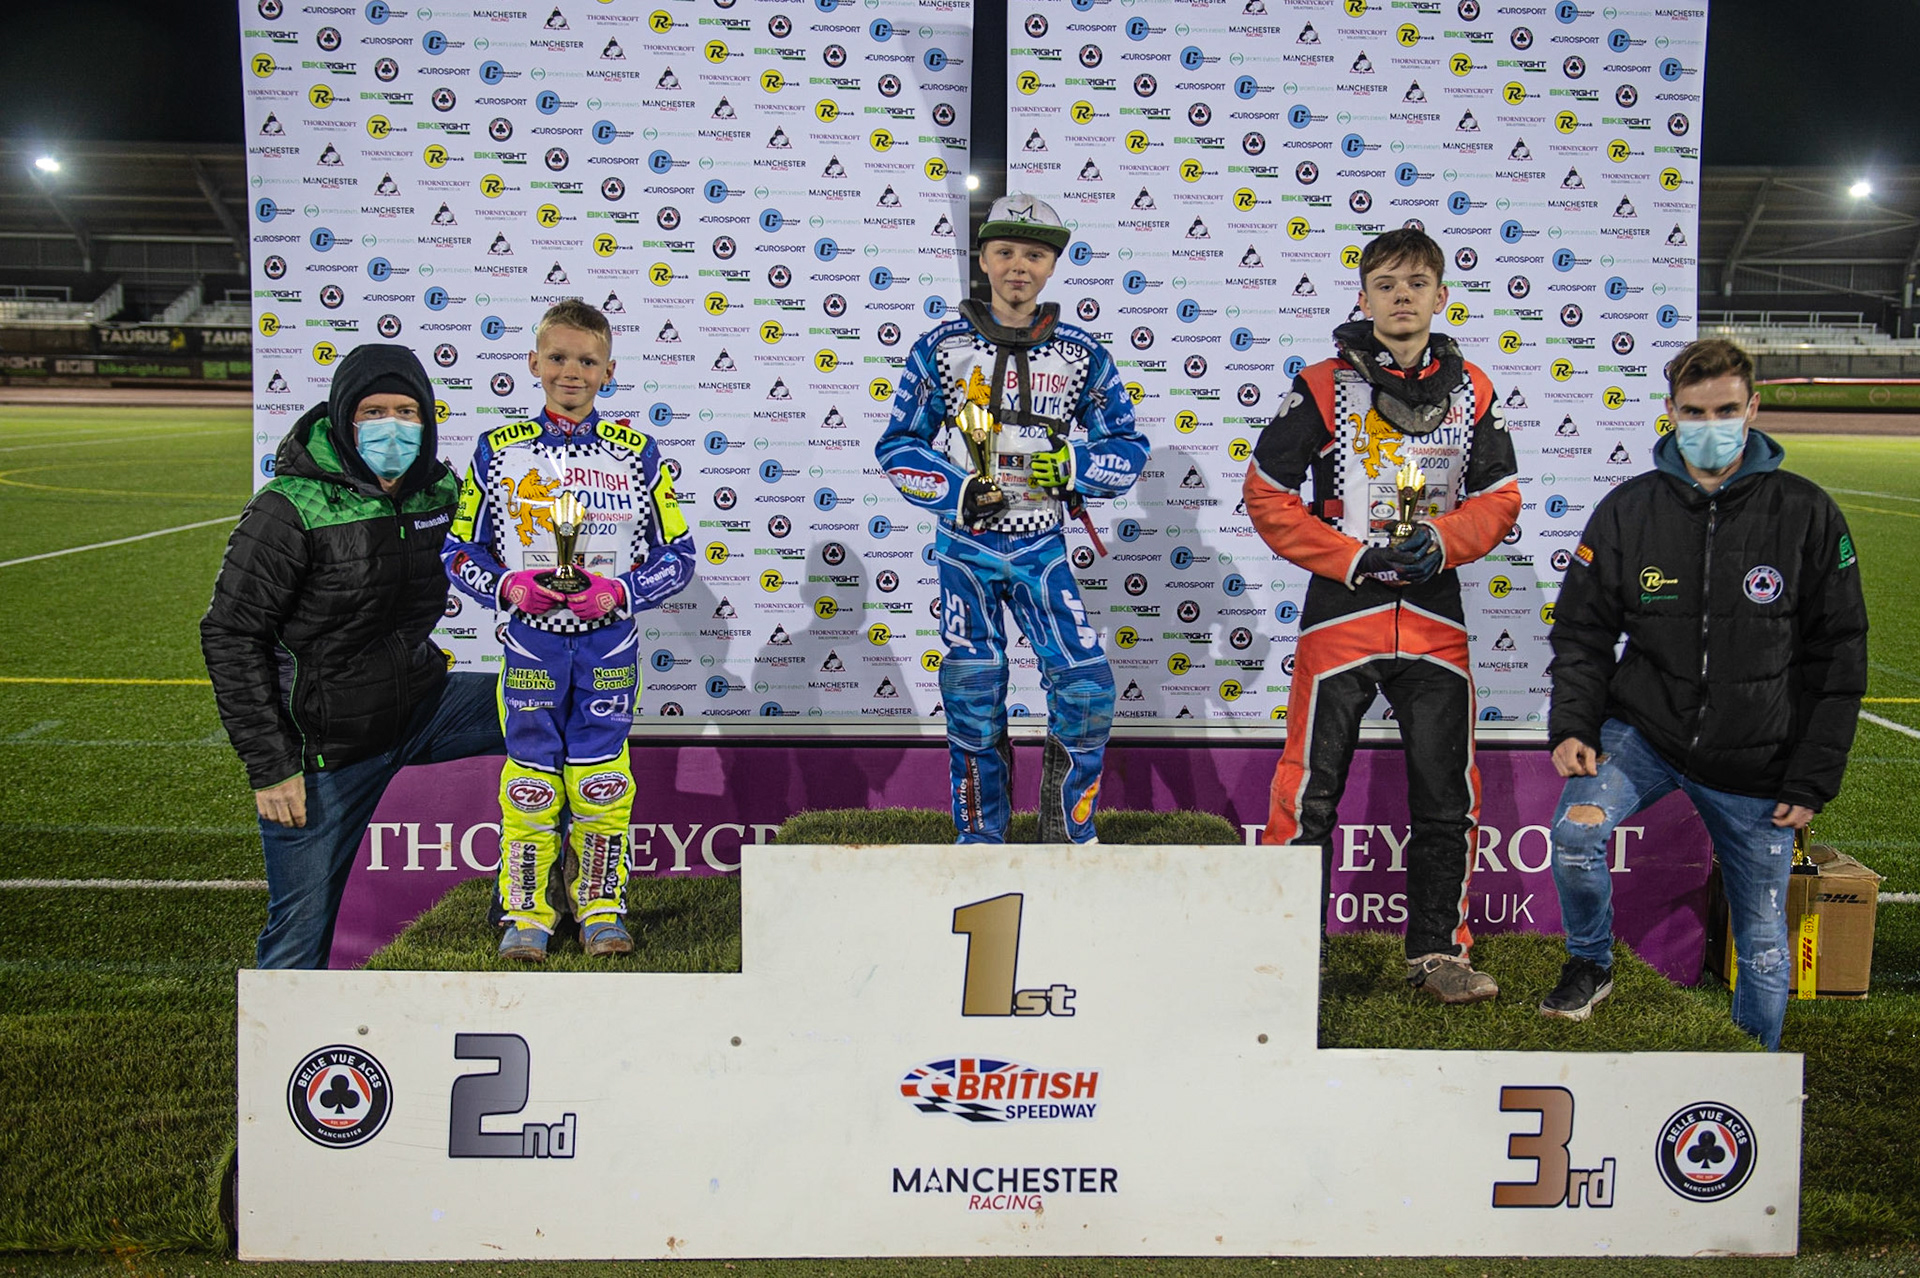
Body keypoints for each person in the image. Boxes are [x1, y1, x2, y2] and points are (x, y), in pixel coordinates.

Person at [1540, 337, 1867, 1047]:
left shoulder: (1807, 514)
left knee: (1765, 945)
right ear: (1670, 413)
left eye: (1724, 409)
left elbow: (1838, 656)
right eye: (1693, 411)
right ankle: (1591, 963)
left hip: (1755, 761)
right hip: (1645, 735)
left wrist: (1812, 776)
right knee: (1573, 836)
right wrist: (1574, 725)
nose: (1709, 424)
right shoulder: (1629, 510)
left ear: (1753, 408)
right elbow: (1583, 631)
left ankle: (1752, 1073)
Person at [1242, 226, 1520, 1003]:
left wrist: (1443, 541)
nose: (1403, 296)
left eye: (1417, 283)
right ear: (1362, 298)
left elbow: (1500, 498)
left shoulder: (1477, 390)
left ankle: (1439, 952)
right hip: (1343, 616)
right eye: (1387, 284)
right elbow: (1266, 491)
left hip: (1435, 617)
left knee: (1445, 795)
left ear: (1441, 297)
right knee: (1308, 791)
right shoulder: (1322, 381)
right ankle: (1283, 949)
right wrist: (1351, 557)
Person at [202, 343, 504, 969]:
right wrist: (271, 765)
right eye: (372, 412)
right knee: (299, 936)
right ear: (343, 417)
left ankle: (527, 898)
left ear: (427, 419)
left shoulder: (440, 491)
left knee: (545, 708)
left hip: (421, 704)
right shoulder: (288, 507)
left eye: (406, 411)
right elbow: (231, 635)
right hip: (325, 747)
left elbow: (508, 550)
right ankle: (281, 1054)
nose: (391, 427)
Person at [875, 193, 1149, 842]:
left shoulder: (1082, 353)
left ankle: (1068, 841)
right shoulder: (940, 349)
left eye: (1034, 254)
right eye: (1005, 252)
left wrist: (1077, 468)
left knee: (1086, 690)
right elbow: (900, 445)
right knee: (973, 696)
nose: (1018, 267)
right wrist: (961, 491)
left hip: (1042, 546)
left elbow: (1126, 445)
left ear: (1053, 265)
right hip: (965, 547)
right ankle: (980, 844)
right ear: (983, 259)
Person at [442, 299, 695, 960]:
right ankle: (526, 913)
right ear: (534, 364)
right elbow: (456, 552)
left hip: (610, 644)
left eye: (586, 361)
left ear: (608, 371)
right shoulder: (497, 452)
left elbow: (681, 557)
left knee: (600, 779)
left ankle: (602, 906)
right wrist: (508, 586)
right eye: (557, 358)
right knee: (529, 780)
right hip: (532, 644)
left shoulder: (637, 453)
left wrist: (619, 591)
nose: (571, 372)